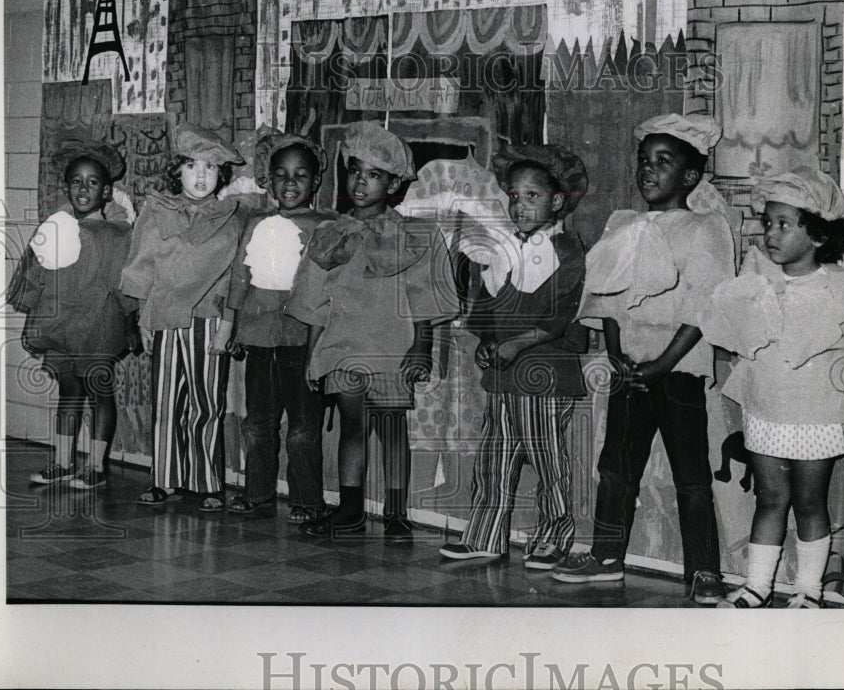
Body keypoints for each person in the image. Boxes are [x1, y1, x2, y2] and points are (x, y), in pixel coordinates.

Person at [552, 113, 735, 605]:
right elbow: (608, 296)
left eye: (663, 162)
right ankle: (607, 557)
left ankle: (703, 572)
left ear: (691, 176)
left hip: (677, 370)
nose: (648, 171)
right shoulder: (623, 224)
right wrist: (615, 354)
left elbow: (704, 305)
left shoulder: (707, 228)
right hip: (628, 368)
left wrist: (661, 363)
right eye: (644, 161)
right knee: (616, 467)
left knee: (690, 477)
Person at [699, 166, 844, 608]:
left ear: (819, 235)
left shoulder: (841, 286)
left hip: (818, 413)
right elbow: (731, 331)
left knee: (809, 502)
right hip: (767, 407)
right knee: (769, 499)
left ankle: (808, 589)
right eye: (768, 223)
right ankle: (757, 586)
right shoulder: (757, 282)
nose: (771, 233)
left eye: (784, 224)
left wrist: (839, 379)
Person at [286, 121, 457, 542]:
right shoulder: (330, 235)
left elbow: (424, 297)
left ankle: (397, 513)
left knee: (393, 428)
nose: (361, 182)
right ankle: (350, 508)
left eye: (375, 175)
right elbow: (313, 304)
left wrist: (422, 346)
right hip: (344, 347)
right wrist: (314, 357)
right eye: (355, 171)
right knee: (352, 427)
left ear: (395, 183)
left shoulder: (413, 235)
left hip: (394, 349)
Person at [438, 144, 589, 569]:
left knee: (548, 461)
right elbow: (494, 310)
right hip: (505, 379)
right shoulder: (507, 252)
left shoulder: (567, 252)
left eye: (532, 196)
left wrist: (515, 344)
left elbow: (560, 317)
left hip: (547, 376)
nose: (519, 205)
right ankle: (485, 536)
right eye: (514, 196)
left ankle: (553, 537)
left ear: (557, 201)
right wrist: (489, 341)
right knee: (494, 459)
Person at [120, 123, 246, 512]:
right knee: (166, 402)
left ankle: (207, 482)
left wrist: (227, 326)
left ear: (222, 173)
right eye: (192, 166)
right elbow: (140, 267)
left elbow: (236, 277)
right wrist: (141, 318)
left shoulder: (232, 218)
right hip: (164, 319)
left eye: (210, 166)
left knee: (206, 403)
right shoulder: (156, 211)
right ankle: (163, 479)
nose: (202, 175)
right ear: (177, 171)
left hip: (209, 321)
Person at [8, 137, 140, 490]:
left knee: (99, 392)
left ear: (107, 191)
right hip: (62, 328)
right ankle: (63, 462)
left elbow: (124, 284)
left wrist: (130, 324)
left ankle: (95, 466)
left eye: (93, 182)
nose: (84, 188)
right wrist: (32, 324)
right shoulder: (54, 227)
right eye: (77, 181)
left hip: (98, 325)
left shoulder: (115, 235)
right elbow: (36, 278)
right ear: (67, 187)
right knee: (68, 394)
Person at [225, 134, 337, 524]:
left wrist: (321, 351)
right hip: (258, 339)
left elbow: (329, 291)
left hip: (303, 342)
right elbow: (240, 278)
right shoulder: (255, 222)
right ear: (268, 180)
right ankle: (257, 492)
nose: (290, 183)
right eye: (281, 175)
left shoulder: (326, 226)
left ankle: (308, 501)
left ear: (316, 181)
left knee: (303, 428)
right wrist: (234, 329)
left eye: (300, 175)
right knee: (257, 422)